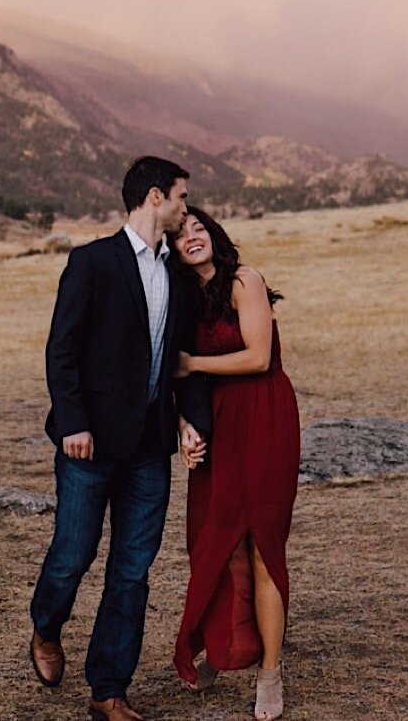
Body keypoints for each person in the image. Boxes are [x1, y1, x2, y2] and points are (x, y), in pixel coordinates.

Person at [29, 156, 212, 721]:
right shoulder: (92, 261)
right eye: (182, 197)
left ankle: (109, 690)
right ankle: (46, 627)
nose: (187, 209)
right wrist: (74, 422)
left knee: (132, 571)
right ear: (156, 197)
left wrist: (189, 420)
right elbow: (62, 349)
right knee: (72, 555)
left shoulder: (177, 276)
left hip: (149, 451)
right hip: (89, 446)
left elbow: (185, 364)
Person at [170, 207, 300, 721]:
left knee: (262, 543)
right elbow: (178, 380)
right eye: (181, 234)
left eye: (199, 228)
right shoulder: (184, 300)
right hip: (218, 421)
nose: (193, 237)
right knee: (213, 540)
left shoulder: (245, 280)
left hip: (264, 415)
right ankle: (225, 645)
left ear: (214, 235)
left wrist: (193, 362)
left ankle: (270, 672)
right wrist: (186, 427)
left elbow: (258, 357)